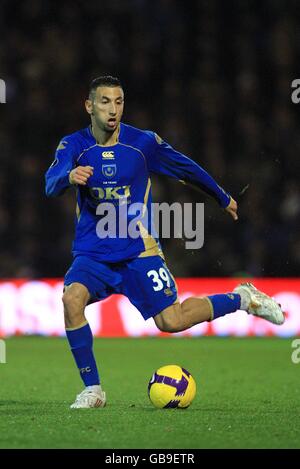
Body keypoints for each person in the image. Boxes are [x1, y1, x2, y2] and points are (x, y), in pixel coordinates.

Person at [45, 75, 284, 409]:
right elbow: (50, 182)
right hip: (93, 255)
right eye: (104, 102)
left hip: (138, 251)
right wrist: (68, 177)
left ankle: (242, 298)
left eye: (118, 101)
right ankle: (93, 389)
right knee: (72, 300)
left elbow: (184, 167)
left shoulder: (142, 144)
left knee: (172, 321)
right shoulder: (73, 146)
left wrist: (221, 196)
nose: (112, 109)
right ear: (89, 106)